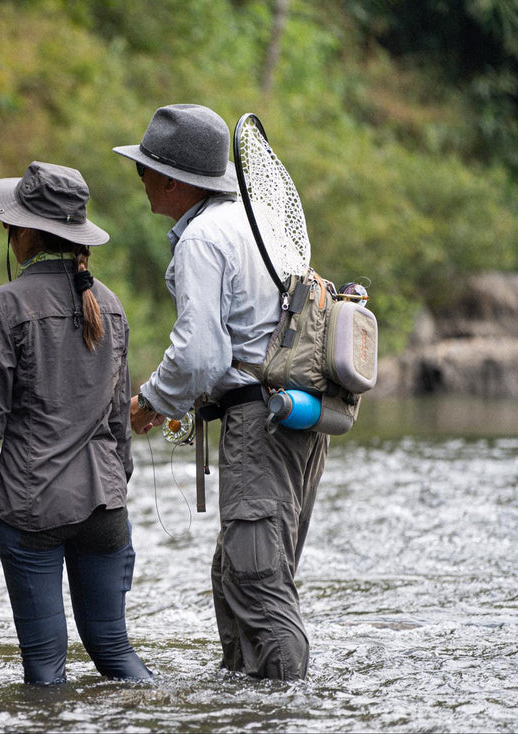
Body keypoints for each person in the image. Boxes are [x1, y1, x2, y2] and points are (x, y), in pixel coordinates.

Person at [113, 104, 328, 680]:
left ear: (174, 180)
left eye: (144, 169)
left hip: (261, 427)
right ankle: (247, 709)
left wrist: (151, 403)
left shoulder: (202, 239)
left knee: (256, 586)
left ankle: (286, 711)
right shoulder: (252, 220)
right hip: (292, 422)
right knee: (239, 579)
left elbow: (200, 356)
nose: (140, 179)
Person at [0, 161, 153, 686]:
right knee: (114, 650)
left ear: (26, 234)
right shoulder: (110, 305)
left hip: (32, 508)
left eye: (11, 224)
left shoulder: (5, 304)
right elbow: (117, 422)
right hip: (105, 506)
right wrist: (116, 486)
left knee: (45, 669)